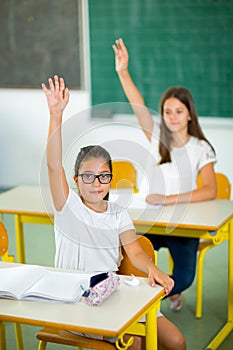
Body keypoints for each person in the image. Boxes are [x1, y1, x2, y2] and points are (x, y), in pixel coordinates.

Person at [42, 75, 186, 350]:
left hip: (111, 292)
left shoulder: (118, 212)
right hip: (77, 299)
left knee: (176, 341)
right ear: (75, 179)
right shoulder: (67, 206)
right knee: (136, 344)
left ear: (110, 179)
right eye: (88, 176)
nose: (97, 184)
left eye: (103, 176)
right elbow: (52, 165)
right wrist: (56, 115)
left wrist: (153, 268)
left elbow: (134, 253)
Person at [112, 38, 217, 312]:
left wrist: (167, 199)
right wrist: (123, 71)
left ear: (189, 115)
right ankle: (141, 302)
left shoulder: (200, 148)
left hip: (183, 223)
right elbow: (137, 103)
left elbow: (210, 190)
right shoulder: (154, 136)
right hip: (149, 219)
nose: (172, 117)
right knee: (128, 259)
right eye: (167, 111)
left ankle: (151, 298)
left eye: (178, 111)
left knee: (183, 278)